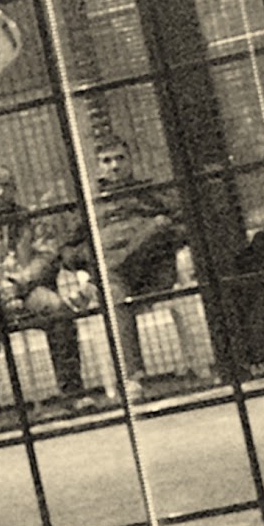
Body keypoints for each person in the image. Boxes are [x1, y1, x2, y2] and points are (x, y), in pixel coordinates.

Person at [0, 165, 99, 423]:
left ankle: (73, 394)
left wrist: (20, 281)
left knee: (58, 309)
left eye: (6, 186)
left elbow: (47, 255)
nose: (0, 192)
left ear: (15, 189)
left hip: (27, 288)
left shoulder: (30, 216)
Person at [60, 136, 199, 401]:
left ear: (131, 161)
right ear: (98, 167)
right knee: (114, 294)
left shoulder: (152, 193)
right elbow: (67, 251)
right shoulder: (90, 203)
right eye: (106, 161)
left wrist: (161, 233)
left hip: (153, 273)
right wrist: (89, 255)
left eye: (120, 159)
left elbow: (186, 225)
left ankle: (95, 282)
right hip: (116, 280)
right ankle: (133, 379)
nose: (114, 166)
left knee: (158, 224)